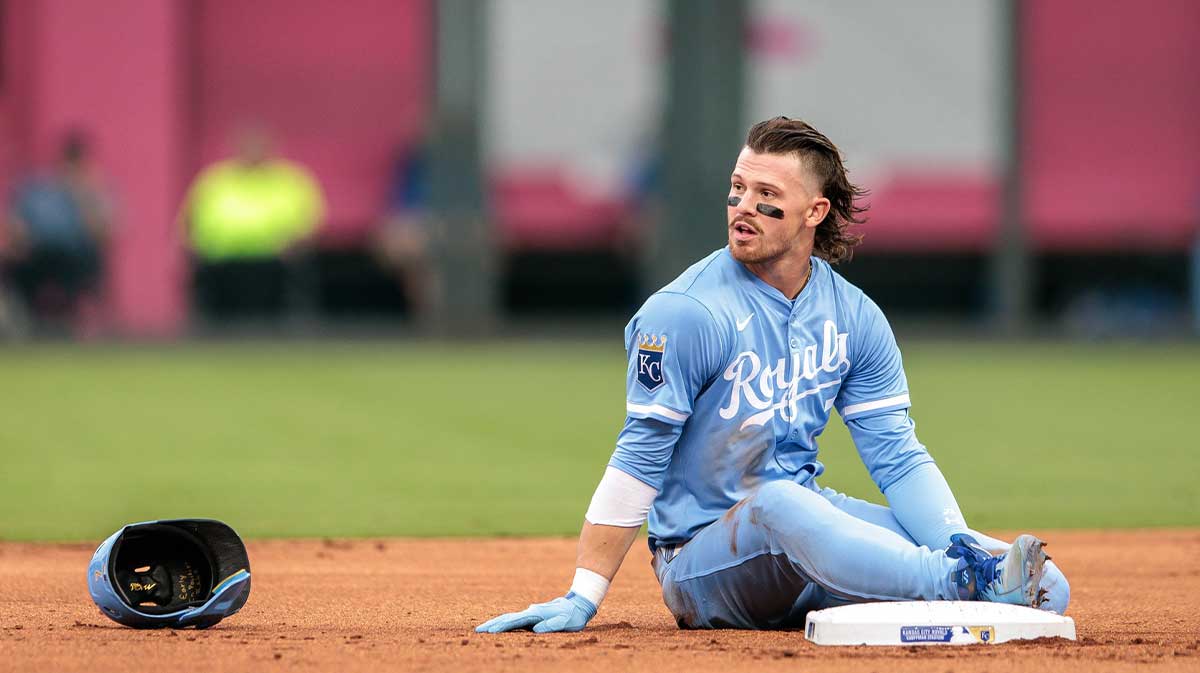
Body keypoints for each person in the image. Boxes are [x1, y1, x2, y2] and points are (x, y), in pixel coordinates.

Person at [477, 117, 1069, 633]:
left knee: (1050, 586)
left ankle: (964, 573)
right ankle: (958, 586)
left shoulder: (854, 315)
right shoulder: (684, 312)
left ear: (816, 211)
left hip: (806, 539)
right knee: (781, 503)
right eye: (737, 189)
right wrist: (585, 591)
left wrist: (958, 541)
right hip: (704, 562)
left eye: (766, 193)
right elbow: (639, 456)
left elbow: (897, 453)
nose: (742, 207)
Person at [180, 124, 325, 323]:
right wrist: (192, 245)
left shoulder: (290, 180)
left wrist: (296, 244)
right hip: (221, 262)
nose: (253, 154)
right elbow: (189, 221)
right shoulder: (215, 180)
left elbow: (310, 223)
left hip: (273, 263)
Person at [2, 130, 113, 335]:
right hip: (37, 252)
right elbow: (17, 222)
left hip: (75, 256)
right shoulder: (39, 189)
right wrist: (18, 241)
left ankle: (74, 323)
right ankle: (21, 321)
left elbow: (103, 233)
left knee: (78, 264)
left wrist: (81, 194)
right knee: (13, 264)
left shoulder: (92, 191)